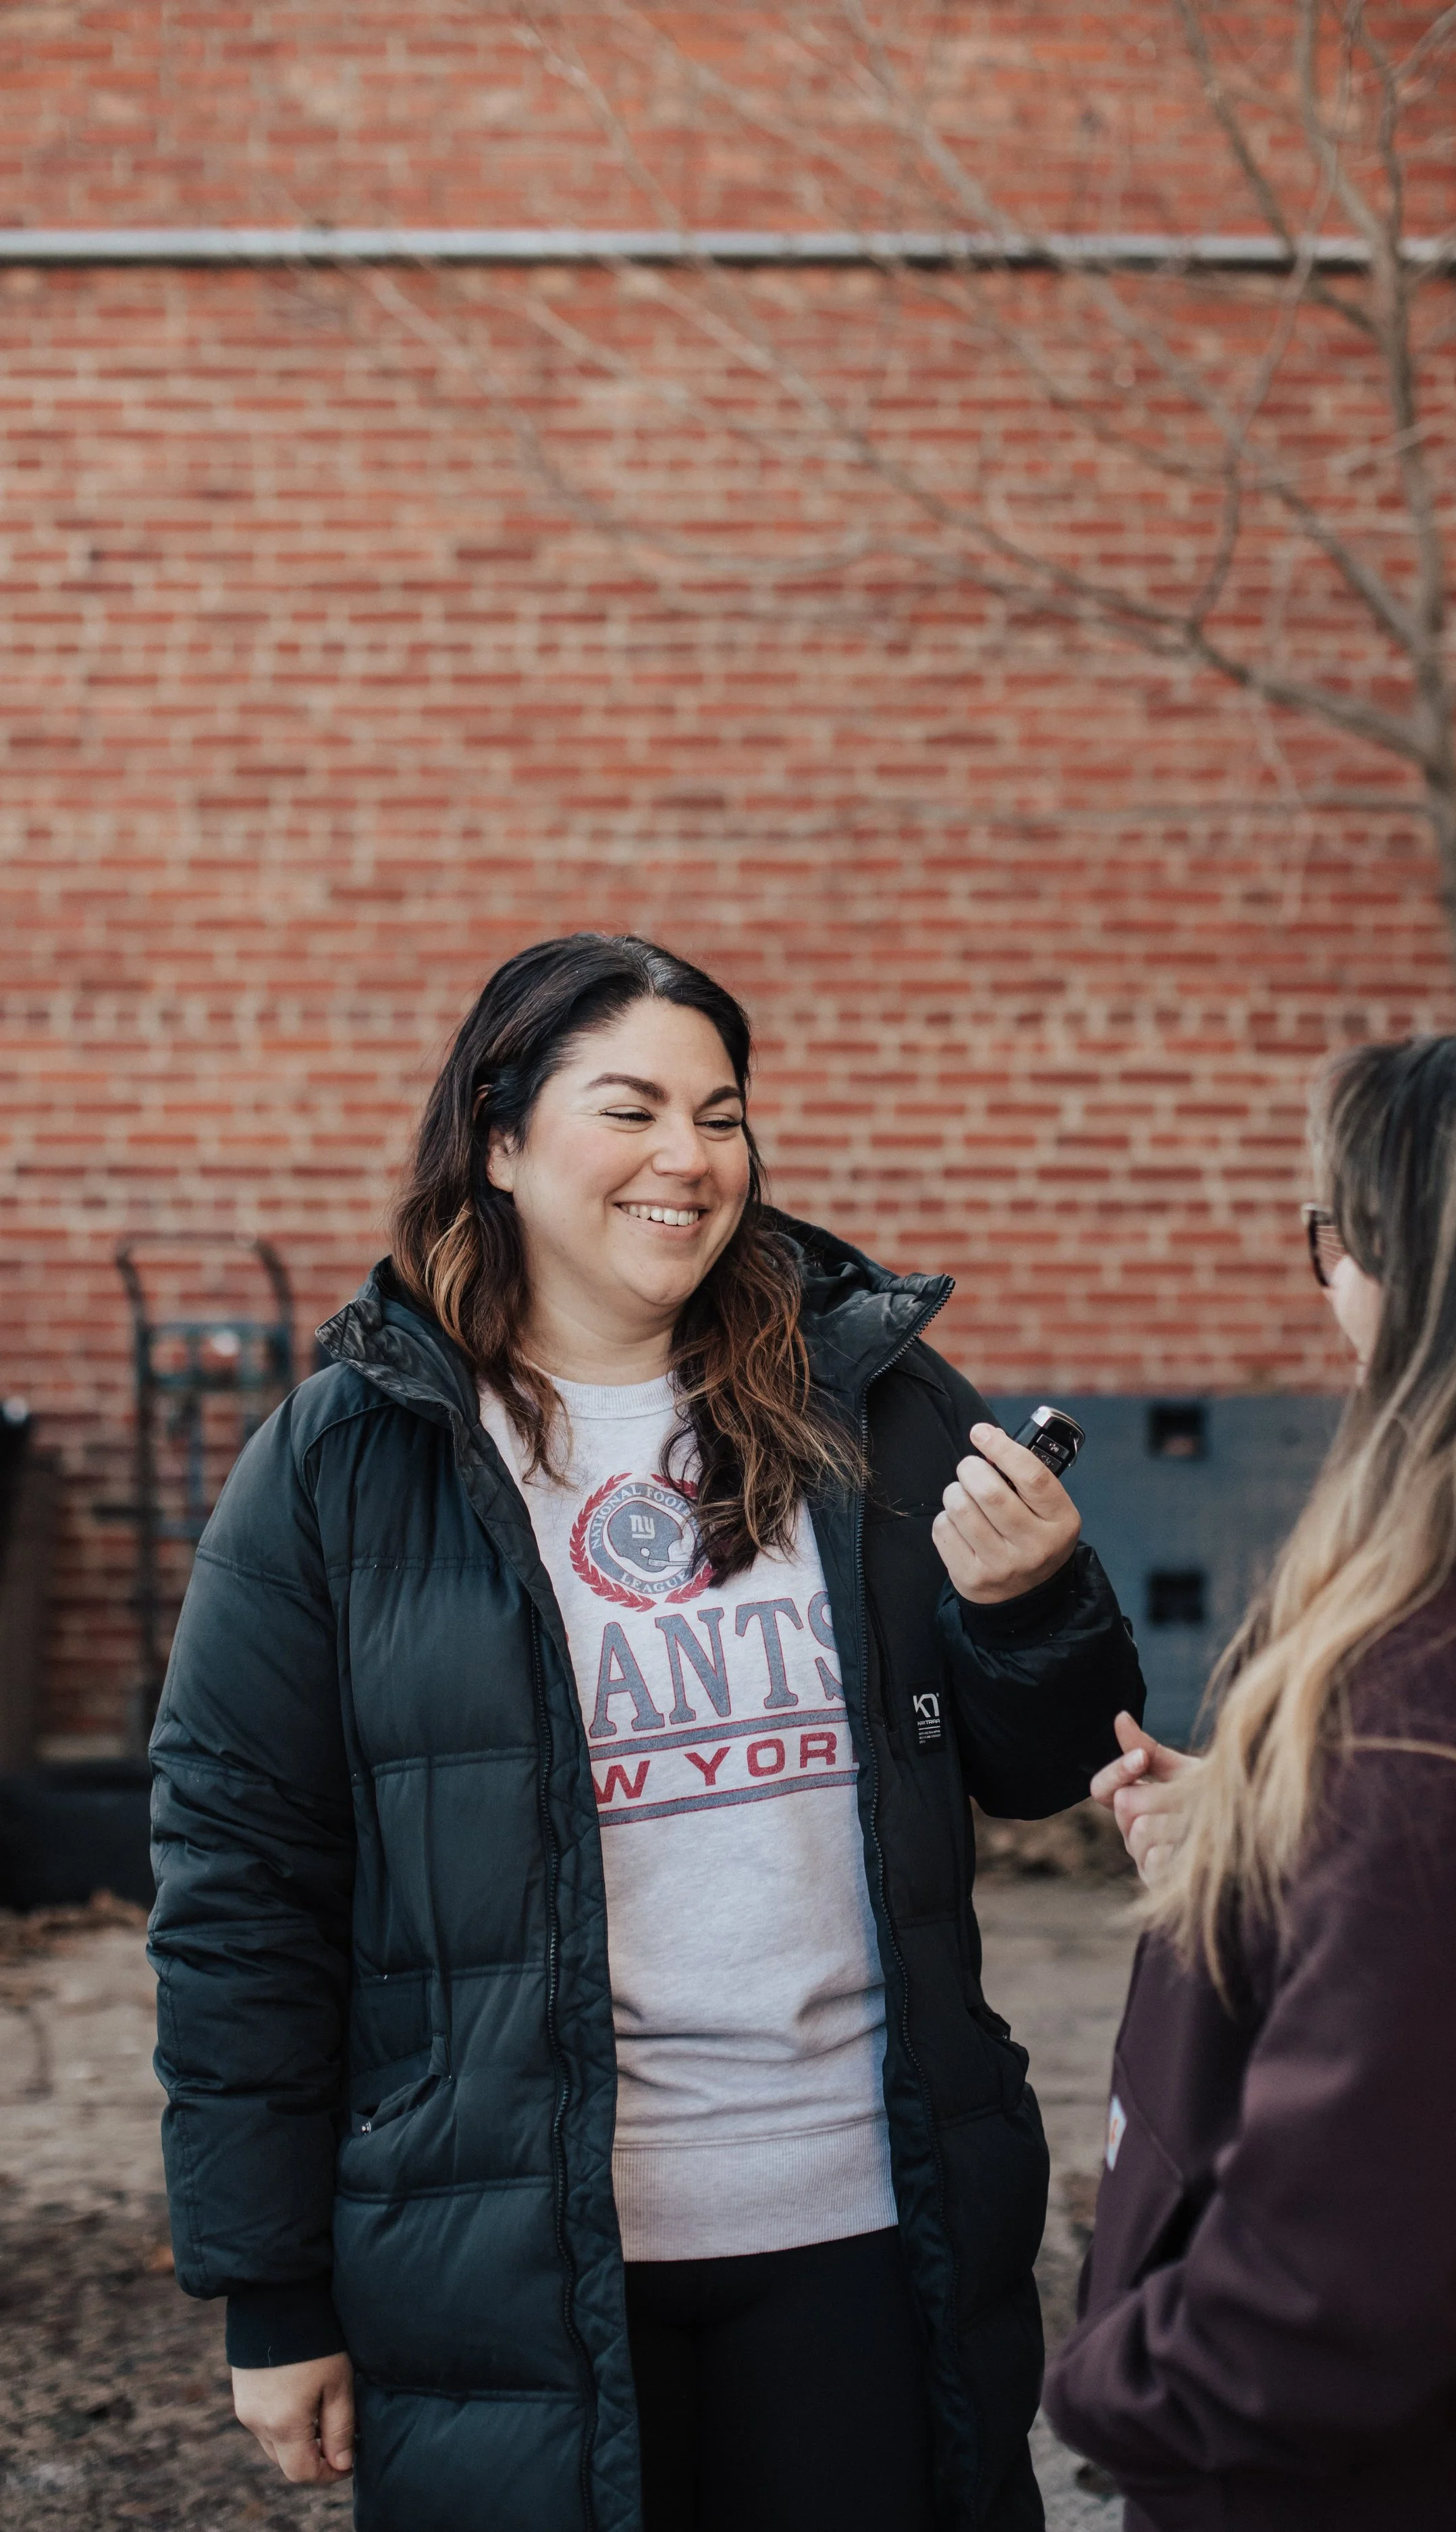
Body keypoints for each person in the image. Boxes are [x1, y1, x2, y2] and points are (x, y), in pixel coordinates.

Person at [149, 932, 1143, 2532]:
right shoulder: (344, 1460)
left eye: (721, 1112)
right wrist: (268, 2292)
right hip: (507, 2262)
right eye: (630, 1109)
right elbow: (240, 1889)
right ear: (498, 1137)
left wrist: (1032, 1606)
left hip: (861, 2225)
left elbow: (1037, 1772)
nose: (688, 1159)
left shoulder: (866, 1396)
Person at [1043, 1002, 1456, 2531]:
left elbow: (1342, 2286)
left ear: (1442, 1269)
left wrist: (1109, 2383)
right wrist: (1278, 1836)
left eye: (1330, 1233)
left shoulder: (1442, 1687)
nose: (1326, 1276)